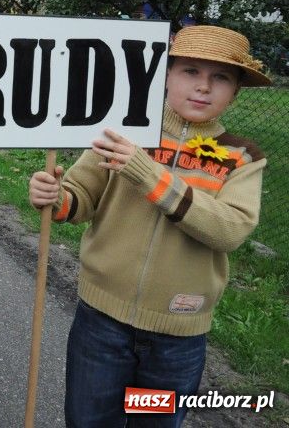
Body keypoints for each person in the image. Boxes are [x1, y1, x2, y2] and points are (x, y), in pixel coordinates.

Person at [28, 25, 270, 428]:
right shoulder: (124, 130)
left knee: (153, 422)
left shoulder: (241, 157)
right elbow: (79, 198)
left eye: (221, 78)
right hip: (101, 325)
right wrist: (52, 196)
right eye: (190, 71)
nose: (203, 87)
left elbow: (230, 230)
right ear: (166, 75)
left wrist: (150, 176)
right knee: (90, 421)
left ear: (236, 91)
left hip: (177, 341)